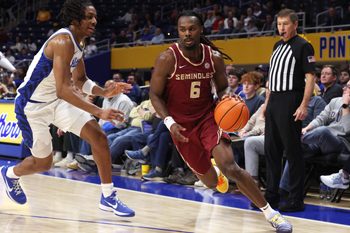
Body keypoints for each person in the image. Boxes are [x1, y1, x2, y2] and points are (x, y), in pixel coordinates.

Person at [149, 10, 292, 232]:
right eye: (182, 29)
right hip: (181, 126)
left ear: (201, 30)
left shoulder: (213, 57)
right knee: (211, 183)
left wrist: (226, 96)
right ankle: (214, 169)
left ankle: (271, 214)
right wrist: (169, 122)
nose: (187, 33)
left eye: (192, 29)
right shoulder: (167, 58)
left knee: (231, 167)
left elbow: (223, 86)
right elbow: (155, 95)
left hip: (208, 118)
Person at [0, 0, 135, 217]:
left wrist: (104, 92)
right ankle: (10, 174)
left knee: (98, 136)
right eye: (89, 17)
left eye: (95, 16)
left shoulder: (79, 43)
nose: (94, 21)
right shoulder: (63, 41)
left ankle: (108, 196)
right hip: (31, 107)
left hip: (56, 102)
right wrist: (98, 111)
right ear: (75, 20)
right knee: (44, 164)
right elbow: (64, 88)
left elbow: (80, 79)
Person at [264, 8, 316, 212]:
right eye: (279, 24)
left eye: (285, 24)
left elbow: (311, 77)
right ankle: (271, 196)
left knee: (292, 152)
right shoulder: (276, 46)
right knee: (271, 151)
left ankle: (296, 199)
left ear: (295, 25)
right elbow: (272, 78)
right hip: (274, 101)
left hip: (291, 99)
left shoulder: (304, 45)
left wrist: (303, 105)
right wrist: (267, 104)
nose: (281, 28)